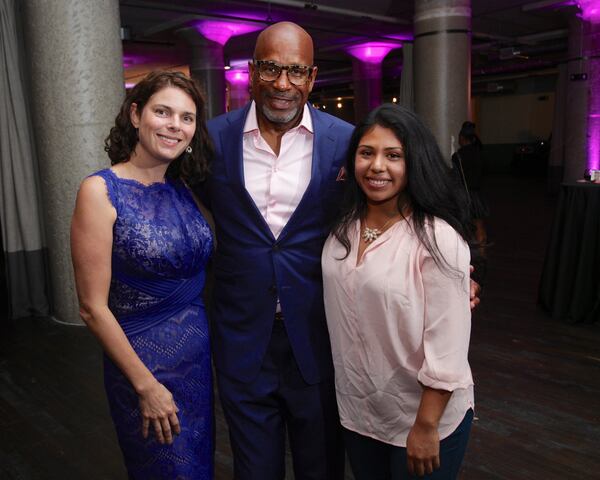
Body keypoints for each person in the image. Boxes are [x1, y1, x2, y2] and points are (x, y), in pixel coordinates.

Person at [203, 21, 480, 479]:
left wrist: (449, 274)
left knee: (322, 466)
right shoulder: (212, 140)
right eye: (271, 68)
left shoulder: (345, 142)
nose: (283, 84)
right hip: (242, 338)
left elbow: (394, 203)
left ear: (312, 78)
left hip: (320, 340)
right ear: (252, 71)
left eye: (296, 71)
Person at [71, 71, 214, 479]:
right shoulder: (100, 190)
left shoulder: (184, 187)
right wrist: (146, 386)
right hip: (143, 364)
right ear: (136, 115)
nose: (175, 125)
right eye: (163, 112)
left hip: (196, 361)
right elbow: (91, 307)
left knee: (198, 463)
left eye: (186, 118)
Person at [322, 104, 474, 480]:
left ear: (414, 163)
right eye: (366, 153)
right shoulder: (343, 228)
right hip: (360, 410)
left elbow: (448, 347)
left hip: (420, 415)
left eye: (394, 156)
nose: (377, 166)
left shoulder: (437, 238)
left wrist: (425, 426)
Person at [452, 121, 489, 249]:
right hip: (478, 195)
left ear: (462, 138)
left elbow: (456, 179)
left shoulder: (458, 156)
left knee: (462, 227)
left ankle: (465, 254)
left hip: (464, 195)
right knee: (479, 226)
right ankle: (482, 251)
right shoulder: (480, 152)